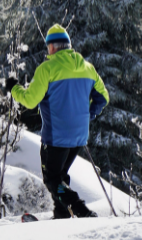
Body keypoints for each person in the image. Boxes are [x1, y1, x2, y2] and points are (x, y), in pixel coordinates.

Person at [7, 24, 109, 219]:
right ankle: (61, 215)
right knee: (60, 175)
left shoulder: (47, 69)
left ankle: (80, 209)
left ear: (52, 47)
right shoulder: (87, 68)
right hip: (79, 137)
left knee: (52, 179)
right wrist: (89, 114)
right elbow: (103, 97)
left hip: (56, 137)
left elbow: (29, 101)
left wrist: (13, 88)